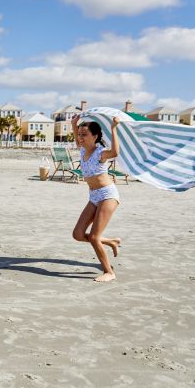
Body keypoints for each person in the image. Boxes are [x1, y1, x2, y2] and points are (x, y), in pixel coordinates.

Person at [71, 115, 122, 282]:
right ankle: (110, 241)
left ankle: (109, 272)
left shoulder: (100, 153)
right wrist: (74, 124)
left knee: (93, 237)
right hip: (93, 196)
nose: (80, 137)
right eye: (79, 134)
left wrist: (114, 128)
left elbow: (114, 152)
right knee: (78, 234)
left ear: (95, 136)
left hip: (108, 195)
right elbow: (76, 138)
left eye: (84, 134)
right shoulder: (83, 149)